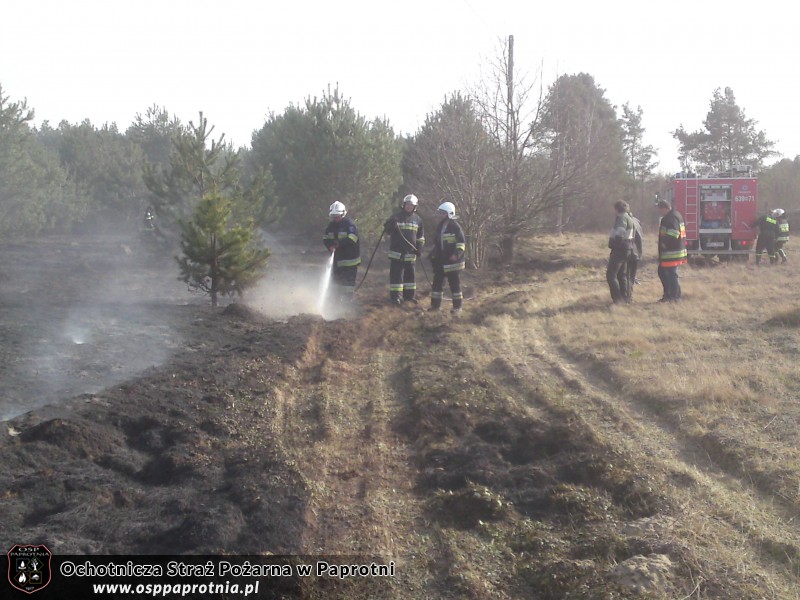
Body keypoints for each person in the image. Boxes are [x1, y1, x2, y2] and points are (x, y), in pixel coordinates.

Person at [383, 194, 425, 305]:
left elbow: (420, 237)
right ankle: (395, 298)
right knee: (397, 278)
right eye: (407, 205)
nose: (409, 207)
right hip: (397, 254)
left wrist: (419, 248)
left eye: (411, 205)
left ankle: (409, 297)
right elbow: (387, 231)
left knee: (410, 278)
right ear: (404, 205)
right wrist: (391, 225)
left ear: (415, 207)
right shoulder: (396, 217)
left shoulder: (418, 220)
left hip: (411, 254)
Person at [428, 201, 465, 314]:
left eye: (443, 213)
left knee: (454, 285)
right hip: (441, 261)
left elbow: (461, 244)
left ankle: (457, 308)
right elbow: (437, 242)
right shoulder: (440, 226)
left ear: (449, 213)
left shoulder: (455, 227)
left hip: (453, 262)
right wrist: (433, 254)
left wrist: (456, 254)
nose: (441, 215)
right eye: (440, 213)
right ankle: (435, 306)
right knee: (437, 285)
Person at [323, 201, 361, 304]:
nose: (336, 218)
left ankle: (347, 303)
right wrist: (330, 246)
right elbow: (326, 238)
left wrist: (339, 244)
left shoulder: (349, 225)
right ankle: (335, 302)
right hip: (337, 260)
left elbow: (353, 238)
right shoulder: (330, 226)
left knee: (348, 284)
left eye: (338, 216)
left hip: (350, 260)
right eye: (334, 216)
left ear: (343, 214)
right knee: (335, 283)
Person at [656, 199, 687, 302]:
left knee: (671, 275)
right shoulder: (674, 215)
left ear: (664, 208)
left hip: (671, 252)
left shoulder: (671, 217)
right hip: (674, 251)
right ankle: (669, 295)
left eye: (660, 210)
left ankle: (675, 297)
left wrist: (664, 243)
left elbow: (674, 233)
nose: (659, 212)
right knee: (663, 272)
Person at [606, 201, 636, 304]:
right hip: (627, 249)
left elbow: (620, 231)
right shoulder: (628, 217)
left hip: (620, 249)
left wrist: (615, 244)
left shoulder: (622, 218)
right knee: (621, 274)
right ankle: (626, 297)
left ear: (617, 209)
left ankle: (617, 299)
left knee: (611, 274)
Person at [626, 208, 644, 302]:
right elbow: (640, 238)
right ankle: (629, 297)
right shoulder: (636, 221)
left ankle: (627, 298)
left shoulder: (627, 222)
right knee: (631, 277)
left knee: (626, 276)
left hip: (630, 252)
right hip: (637, 252)